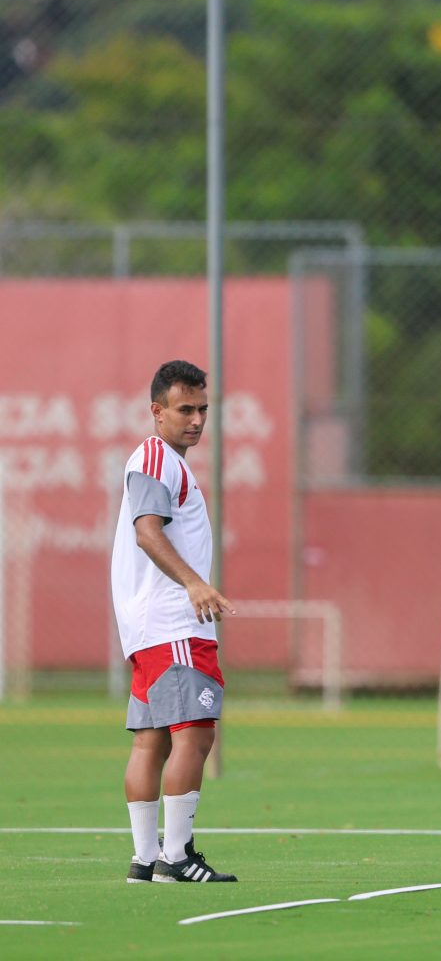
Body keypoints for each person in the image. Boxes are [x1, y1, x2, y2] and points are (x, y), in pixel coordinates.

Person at [112, 360, 237, 884]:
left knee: (152, 741)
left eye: (203, 409)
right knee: (196, 736)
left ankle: (146, 859)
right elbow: (147, 531)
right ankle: (177, 855)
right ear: (156, 412)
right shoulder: (156, 457)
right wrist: (194, 583)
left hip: (146, 630)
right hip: (173, 626)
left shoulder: (166, 462)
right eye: (185, 409)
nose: (197, 420)